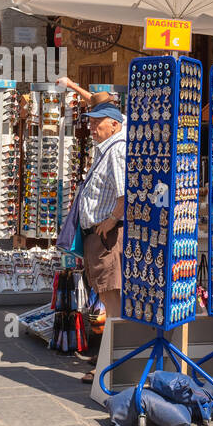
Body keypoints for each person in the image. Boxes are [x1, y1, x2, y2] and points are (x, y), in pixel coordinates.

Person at [73, 102, 127, 384]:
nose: (92, 127)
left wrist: (110, 221)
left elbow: (124, 193)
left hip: (105, 237)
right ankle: (110, 359)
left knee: (112, 303)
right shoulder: (108, 148)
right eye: (91, 122)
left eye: (98, 123)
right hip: (99, 235)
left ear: (115, 125)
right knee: (109, 301)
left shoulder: (117, 151)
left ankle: (111, 365)